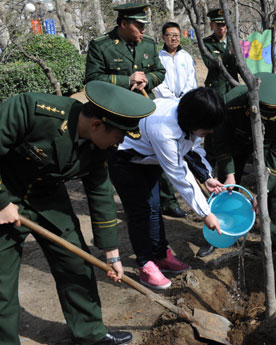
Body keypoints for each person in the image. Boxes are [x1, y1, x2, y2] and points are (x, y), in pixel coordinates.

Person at [0, 80, 155, 345]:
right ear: (97, 125)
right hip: (6, 191)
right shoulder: (31, 109)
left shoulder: (98, 146)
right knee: (2, 284)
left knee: (76, 263)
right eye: (118, 136)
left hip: (48, 199)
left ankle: (91, 333)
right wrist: (2, 201)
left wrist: (111, 254)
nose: (119, 143)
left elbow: (100, 193)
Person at [108, 88, 226, 289]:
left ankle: (161, 255)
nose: (211, 132)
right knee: (140, 211)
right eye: (207, 129)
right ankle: (146, 263)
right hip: (125, 159)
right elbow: (180, 176)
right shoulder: (164, 129)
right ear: (193, 121)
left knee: (154, 208)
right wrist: (205, 213)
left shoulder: (188, 117)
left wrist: (206, 176)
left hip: (149, 159)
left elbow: (193, 149)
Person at [85, 3, 187, 218]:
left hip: (145, 111)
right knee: (118, 159)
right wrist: (126, 80)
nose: (143, 31)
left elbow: (159, 72)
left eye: (144, 26)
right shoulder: (101, 46)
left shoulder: (148, 45)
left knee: (156, 154)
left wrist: (147, 80)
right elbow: (92, 80)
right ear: (123, 24)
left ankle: (167, 201)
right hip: (115, 115)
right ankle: (124, 201)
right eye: (138, 26)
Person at [206, 72, 276, 254]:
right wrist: (230, 175)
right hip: (236, 140)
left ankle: (273, 240)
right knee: (226, 187)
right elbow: (220, 141)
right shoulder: (230, 103)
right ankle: (220, 234)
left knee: (275, 188)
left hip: (267, 143)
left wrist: (263, 190)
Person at [153, 21, 198, 218]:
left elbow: (191, 81)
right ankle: (168, 200)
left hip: (185, 107)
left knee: (186, 149)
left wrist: (184, 100)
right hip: (164, 107)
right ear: (163, 37)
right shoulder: (158, 58)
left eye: (177, 35)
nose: (174, 38)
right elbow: (157, 83)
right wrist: (171, 99)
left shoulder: (186, 57)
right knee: (165, 151)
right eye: (170, 35)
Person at [202, 8, 239, 95]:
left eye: (224, 24)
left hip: (233, 86)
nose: (221, 28)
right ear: (211, 25)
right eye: (218, 25)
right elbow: (209, 63)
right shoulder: (206, 43)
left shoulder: (234, 41)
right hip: (216, 87)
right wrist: (228, 54)